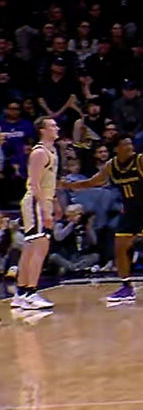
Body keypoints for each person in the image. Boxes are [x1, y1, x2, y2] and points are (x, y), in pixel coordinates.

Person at [61, 136, 143, 304]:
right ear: (116, 148)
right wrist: (68, 186)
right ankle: (126, 287)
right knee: (119, 248)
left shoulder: (141, 160)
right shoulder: (111, 165)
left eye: (130, 143)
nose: (130, 146)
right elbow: (92, 182)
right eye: (125, 144)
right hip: (129, 212)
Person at [13, 117, 59, 311]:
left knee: (31, 248)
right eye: (53, 126)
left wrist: (54, 202)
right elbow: (34, 183)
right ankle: (31, 293)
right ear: (42, 130)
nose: (57, 128)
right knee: (40, 248)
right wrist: (45, 209)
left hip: (42, 200)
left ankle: (21, 293)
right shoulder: (39, 152)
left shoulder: (51, 151)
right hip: (36, 202)